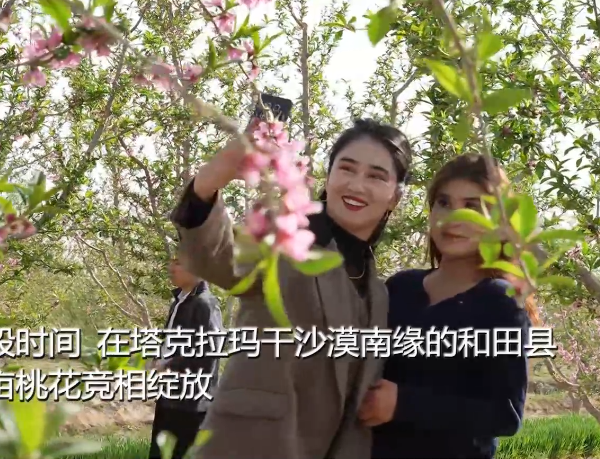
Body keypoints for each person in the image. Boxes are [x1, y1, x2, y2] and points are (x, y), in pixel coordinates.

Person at [169, 117, 412, 459]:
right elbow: (218, 258)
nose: (357, 185)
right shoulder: (286, 236)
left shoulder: (379, 293)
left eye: (376, 176)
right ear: (329, 176)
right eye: (347, 168)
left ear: (395, 197)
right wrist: (210, 181)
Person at [359, 153, 537, 459]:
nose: (454, 218)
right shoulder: (400, 287)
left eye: (472, 207)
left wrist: (402, 403)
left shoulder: (502, 304)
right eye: (444, 203)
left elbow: (505, 414)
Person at [147, 256, 224, 459]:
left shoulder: (205, 305)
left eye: (179, 263)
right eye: (171, 261)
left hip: (191, 405)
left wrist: (168, 365)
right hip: (170, 398)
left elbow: (209, 353)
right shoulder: (179, 302)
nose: (171, 267)